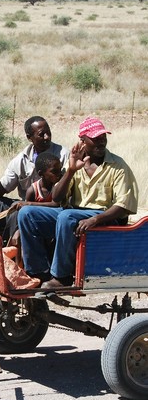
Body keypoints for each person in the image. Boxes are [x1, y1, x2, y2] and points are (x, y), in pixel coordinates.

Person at [17, 117, 138, 289]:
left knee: (67, 216)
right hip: (75, 214)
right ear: (83, 141)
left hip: (104, 217)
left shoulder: (117, 165)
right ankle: (38, 273)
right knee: (27, 214)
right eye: (95, 138)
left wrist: (94, 220)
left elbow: (123, 206)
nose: (101, 141)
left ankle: (62, 277)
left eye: (103, 137)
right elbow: (57, 198)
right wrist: (72, 170)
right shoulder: (76, 163)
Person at [0, 116, 69, 243]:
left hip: (49, 209)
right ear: (29, 137)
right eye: (41, 134)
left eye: (48, 132)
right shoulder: (20, 160)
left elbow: (59, 200)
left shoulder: (63, 155)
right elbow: (0, 191)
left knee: (20, 212)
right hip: (25, 204)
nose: (47, 137)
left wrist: (27, 205)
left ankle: (9, 254)